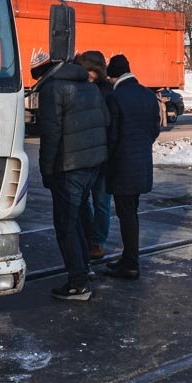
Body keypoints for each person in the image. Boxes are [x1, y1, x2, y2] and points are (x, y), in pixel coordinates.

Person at [37, 55, 110, 300]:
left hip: (68, 168)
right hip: (93, 164)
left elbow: (50, 135)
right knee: (76, 219)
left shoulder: (52, 89)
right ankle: (84, 269)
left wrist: (46, 170)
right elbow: (105, 122)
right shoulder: (90, 88)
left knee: (65, 225)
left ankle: (78, 283)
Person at [102, 54, 161, 279]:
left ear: (113, 75)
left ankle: (130, 263)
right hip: (142, 163)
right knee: (132, 213)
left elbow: (112, 136)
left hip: (122, 165)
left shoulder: (115, 97)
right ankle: (129, 259)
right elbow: (154, 130)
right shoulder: (148, 95)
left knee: (126, 215)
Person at [75, 51, 113, 259]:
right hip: (92, 155)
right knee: (90, 201)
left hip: (102, 157)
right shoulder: (91, 89)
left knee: (100, 200)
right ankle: (92, 238)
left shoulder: (104, 92)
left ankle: (97, 241)